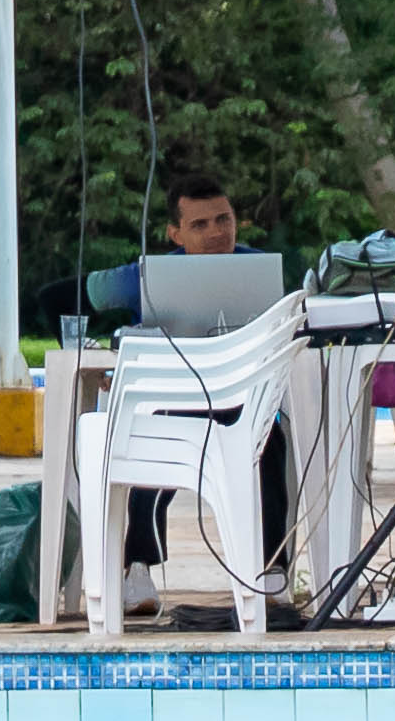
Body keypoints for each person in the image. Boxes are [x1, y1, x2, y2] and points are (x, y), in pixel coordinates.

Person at [87, 171, 298, 609]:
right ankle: (138, 569)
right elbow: (64, 296)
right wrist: (101, 351)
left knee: (272, 441)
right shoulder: (146, 275)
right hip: (170, 401)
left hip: (240, 405)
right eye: (199, 225)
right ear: (175, 233)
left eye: (224, 220)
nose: (216, 232)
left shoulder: (260, 270)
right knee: (148, 445)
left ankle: (273, 569)